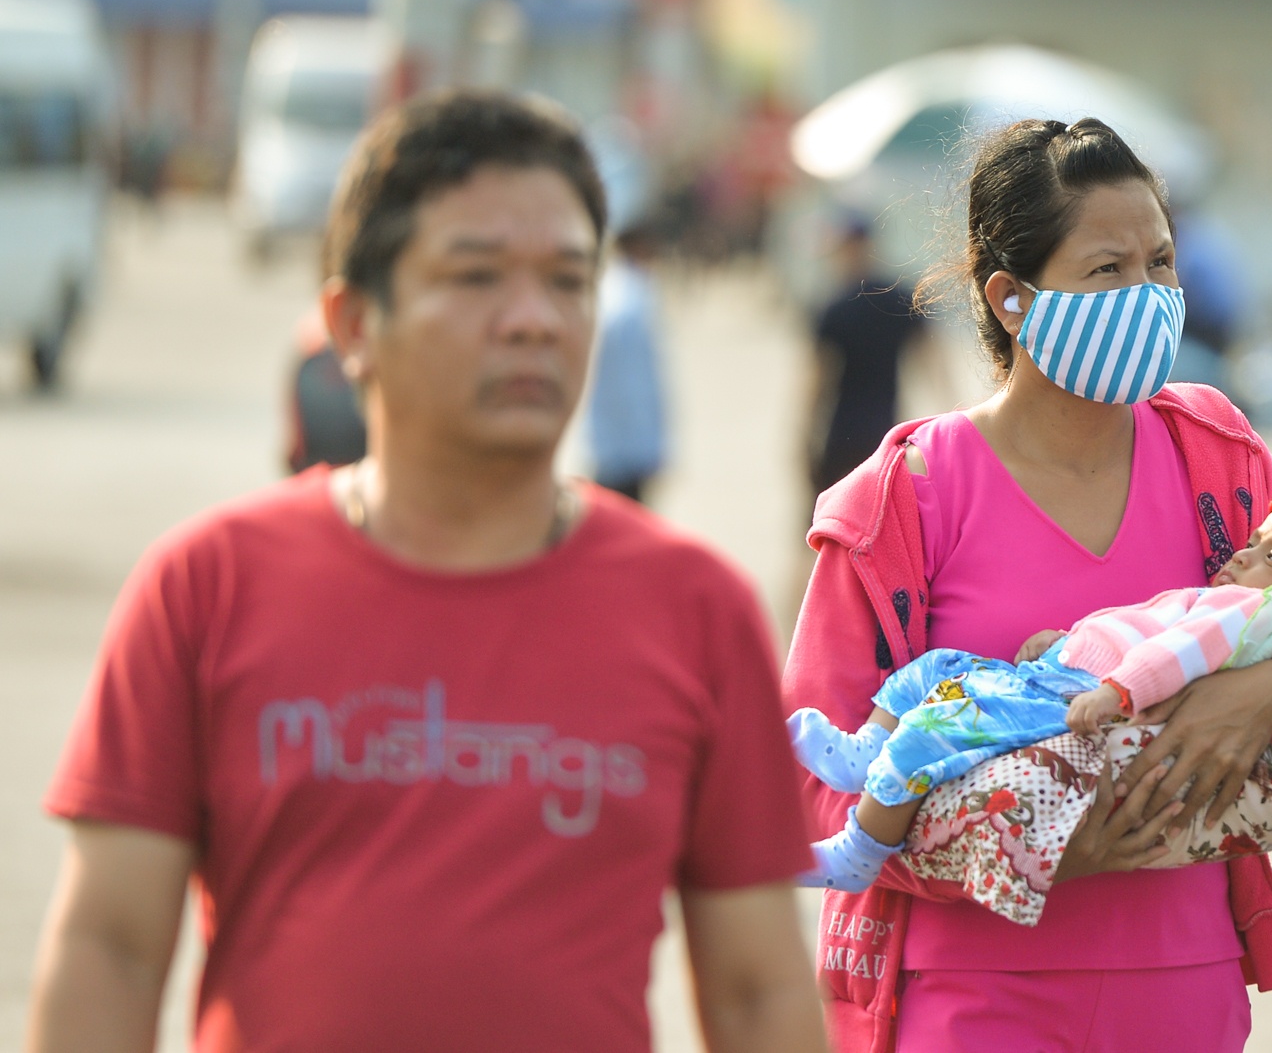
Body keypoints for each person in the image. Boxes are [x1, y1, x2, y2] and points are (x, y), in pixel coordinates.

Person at [27, 91, 827, 1053]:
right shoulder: (206, 586)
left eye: (569, 282)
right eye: (477, 275)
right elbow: (109, 948)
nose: (534, 320)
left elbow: (755, 993)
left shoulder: (696, 609)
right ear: (353, 323)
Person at [782, 116, 1272, 1053]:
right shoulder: (906, 498)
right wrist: (1007, 845)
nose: (1149, 296)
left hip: (1184, 983)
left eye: (1161, 262)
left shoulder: (1218, 460)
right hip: (970, 996)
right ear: (1011, 298)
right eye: (1107, 270)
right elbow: (805, 789)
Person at [791, 491, 1272, 891]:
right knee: (932, 670)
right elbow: (1135, 627)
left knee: (938, 726)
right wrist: (1061, 641)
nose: (1242, 553)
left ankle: (861, 847)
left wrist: (1129, 692)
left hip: (1070, 696)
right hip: (1054, 671)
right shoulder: (908, 481)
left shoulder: (1239, 602)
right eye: (1254, 541)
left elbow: (1170, 653)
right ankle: (865, 750)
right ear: (1007, 295)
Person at [805, 214, 930, 496]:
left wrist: (805, 434)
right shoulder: (898, 298)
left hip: (842, 430)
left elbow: (817, 378)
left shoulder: (834, 307)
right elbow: (931, 357)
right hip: (885, 429)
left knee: (826, 518)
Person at [585, 217, 671, 502]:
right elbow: (632, 383)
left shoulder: (622, 289)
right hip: (624, 446)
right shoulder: (627, 297)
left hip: (616, 442)